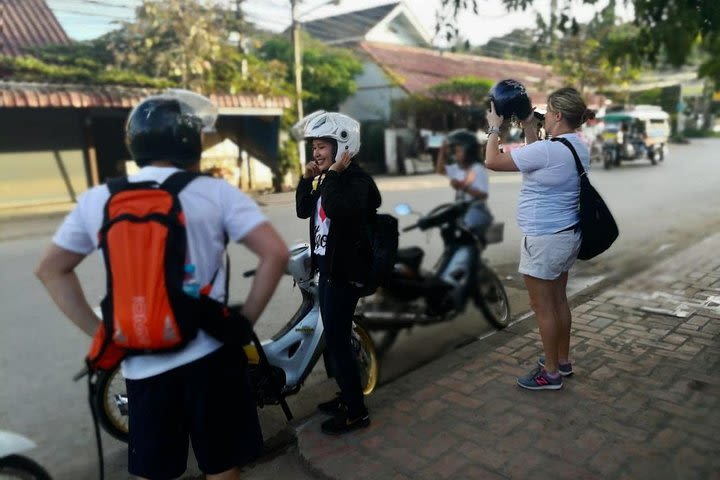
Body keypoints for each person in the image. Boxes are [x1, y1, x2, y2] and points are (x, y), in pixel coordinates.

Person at [35, 90, 289, 480]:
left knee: (157, 472)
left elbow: (51, 270)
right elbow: (274, 254)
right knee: (222, 467)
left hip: (142, 366)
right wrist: (244, 321)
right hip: (211, 357)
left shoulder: (98, 199)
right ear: (190, 142)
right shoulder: (216, 193)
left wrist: (103, 332)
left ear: (136, 143)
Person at [484, 87, 593, 390]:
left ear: (557, 115)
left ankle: (551, 373)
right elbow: (538, 159)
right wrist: (531, 126)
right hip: (566, 235)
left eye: (548, 112)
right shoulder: (575, 146)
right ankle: (563, 361)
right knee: (558, 300)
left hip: (544, 239)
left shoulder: (549, 150)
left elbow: (492, 160)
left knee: (543, 306)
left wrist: (495, 127)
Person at [294, 110, 381, 435]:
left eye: (322, 146)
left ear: (343, 145)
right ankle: (347, 395)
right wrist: (306, 179)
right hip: (329, 271)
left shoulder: (357, 183)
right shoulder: (328, 181)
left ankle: (356, 412)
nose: (316, 153)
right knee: (334, 339)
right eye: (314, 147)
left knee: (337, 339)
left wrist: (329, 176)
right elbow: (306, 210)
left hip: (346, 273)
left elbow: (335, 208)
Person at [435, 129, 492, 237]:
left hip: (475, 210)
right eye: (454, 151)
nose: (455, 155)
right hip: (461, 209)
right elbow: (440, 170)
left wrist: (462, 187)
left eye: (458, 151)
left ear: (469, 151)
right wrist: (442, 150)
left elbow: (483, 195)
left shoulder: (477, 169)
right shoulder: (458, 168)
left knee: (463, 234)